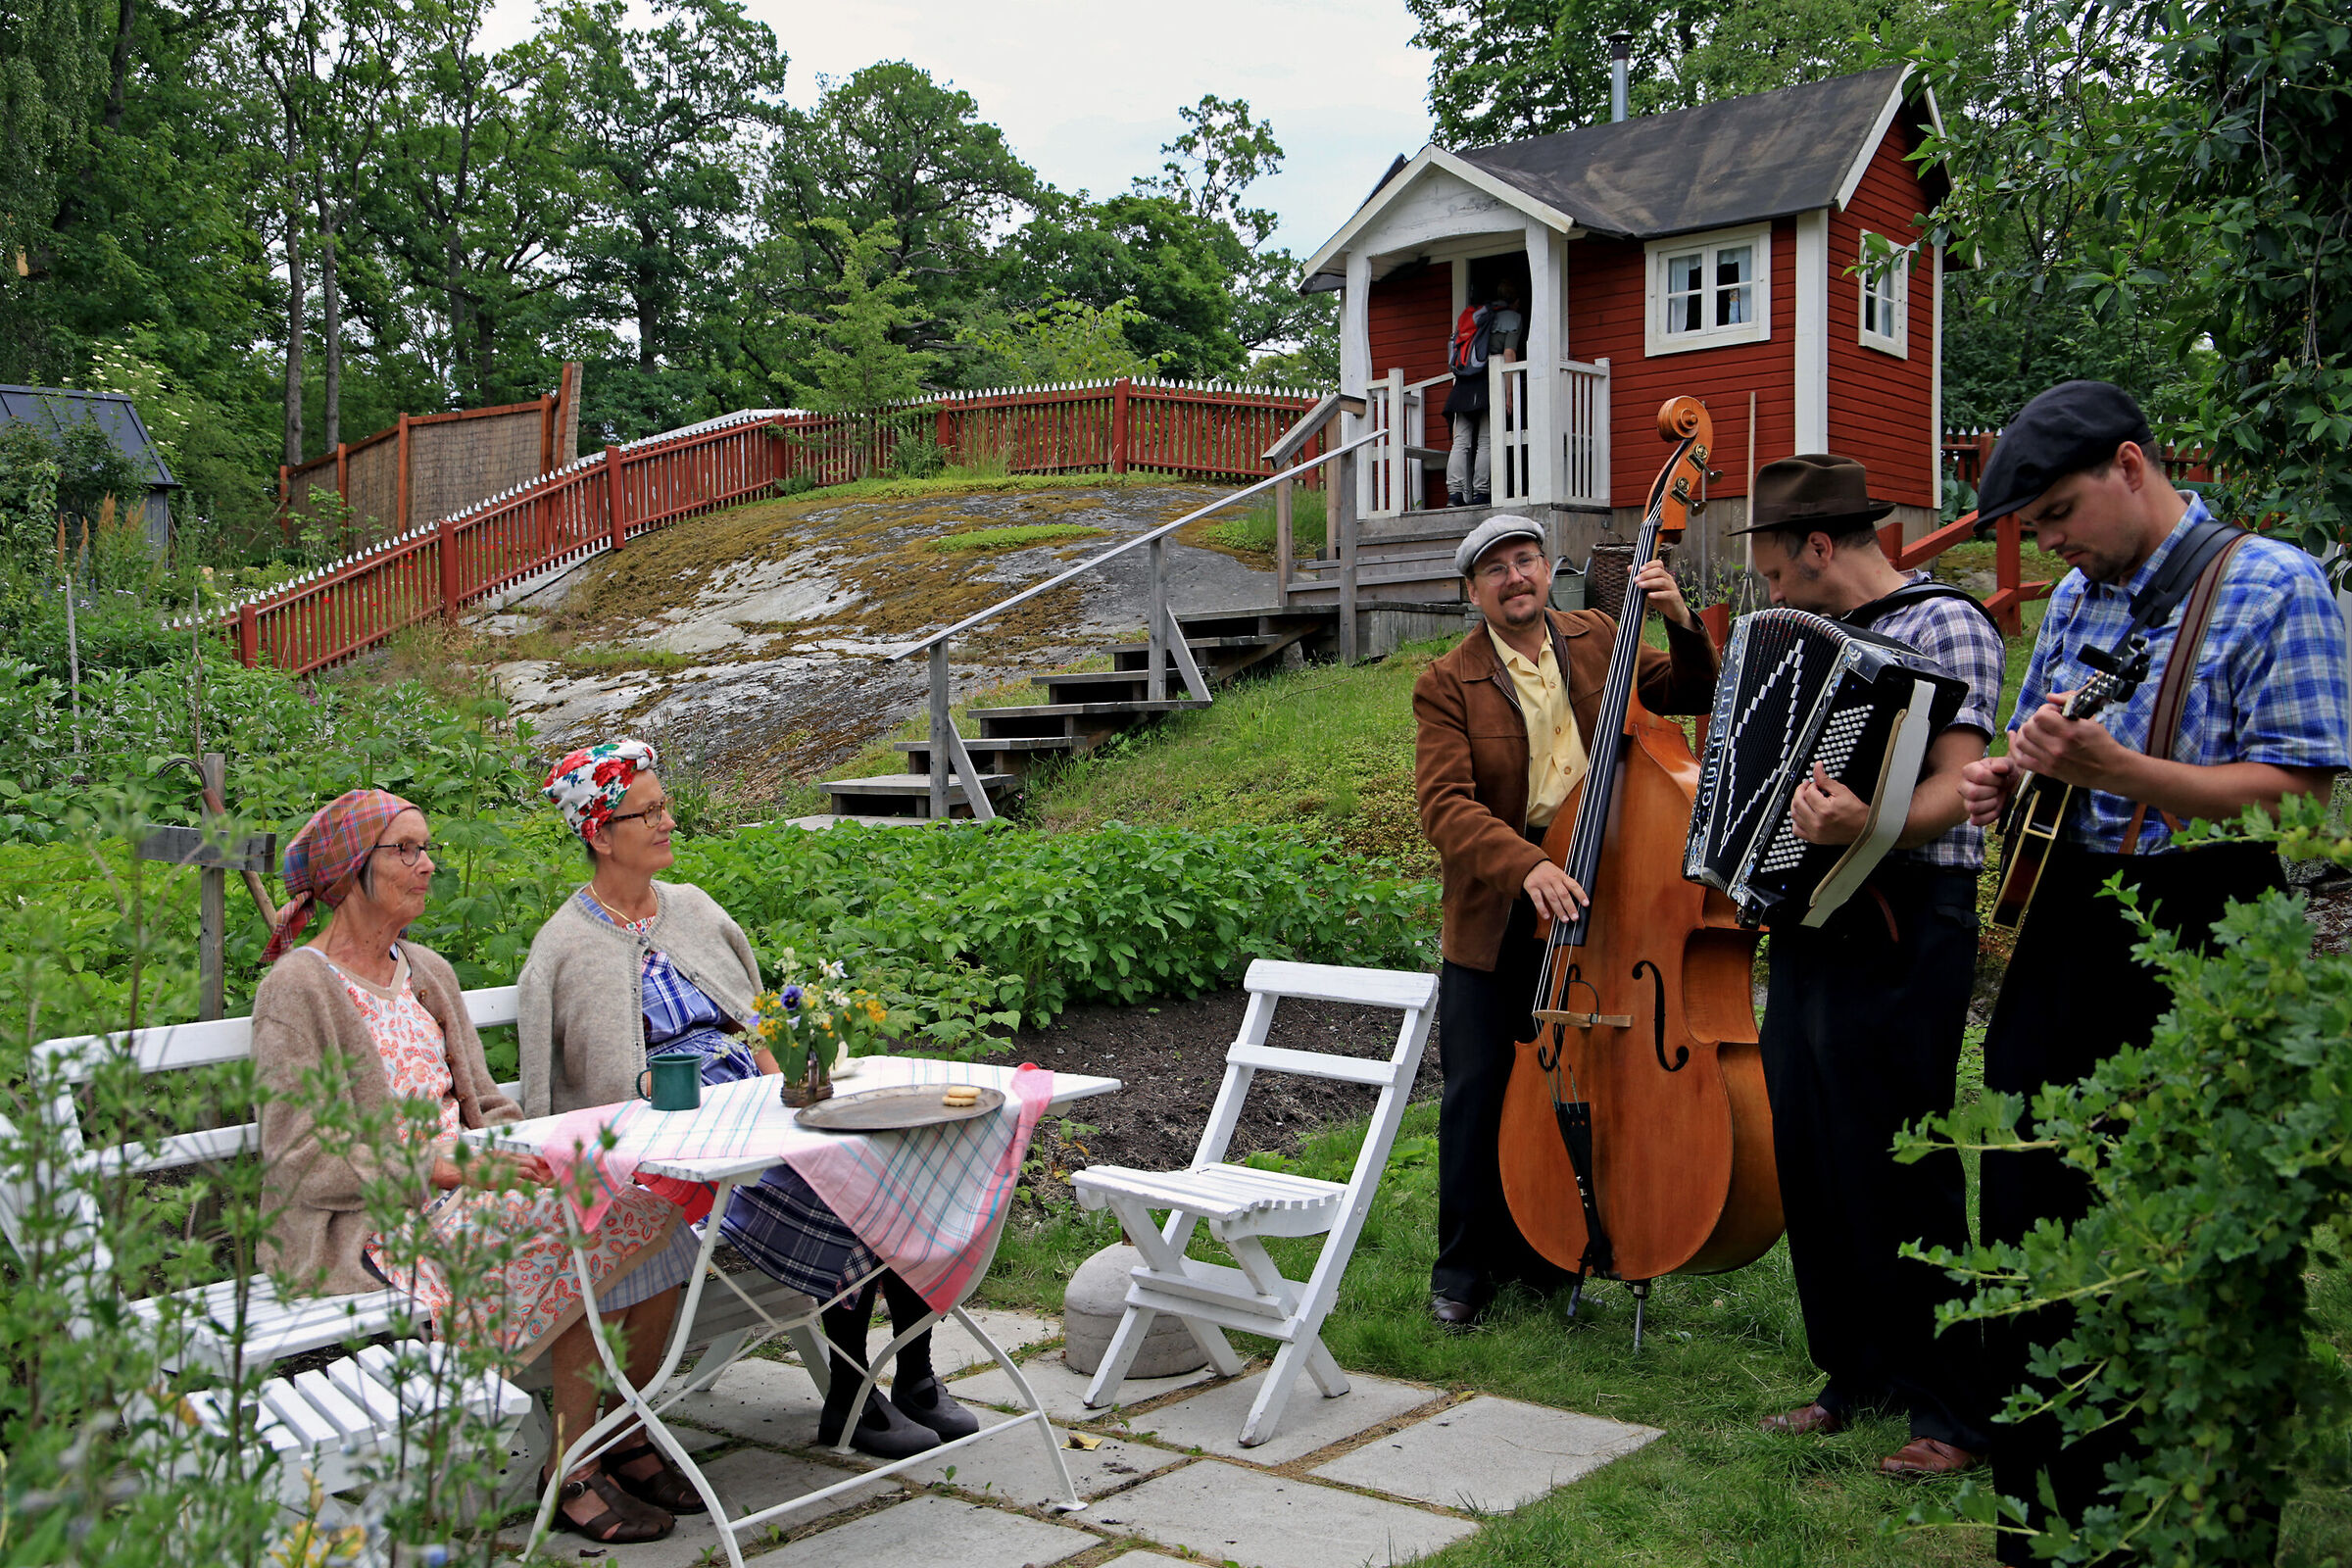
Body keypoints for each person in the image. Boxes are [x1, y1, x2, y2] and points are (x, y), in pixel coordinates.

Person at [1956, 381, 2350, 1559]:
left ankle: (2188, 1528)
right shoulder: (2080, 594)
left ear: (2133, 465)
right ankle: (2049, 1523)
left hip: (2205, 942)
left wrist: (2123, 771)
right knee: (2032, 1212)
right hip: (2066, 936)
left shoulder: (2278, 587)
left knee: (2186, 1238)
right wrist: (2011, 781)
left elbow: (2305, 800)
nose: (2055, 543)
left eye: (2064, 510)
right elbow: (2047, 744)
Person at [254, 788, 703, 1545]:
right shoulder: (298, 988)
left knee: (649, 1215)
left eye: (426, 848)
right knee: (584, 1238)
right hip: (376, 1227)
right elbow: (298, 1160)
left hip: (465, 1192)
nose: (427, 865)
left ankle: (614, 1438)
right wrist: (440, 1166)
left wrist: (518, 1152)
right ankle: (575, 1473)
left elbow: (484, 1107)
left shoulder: (424, 968)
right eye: (405, 850)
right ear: (351, 872)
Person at [519, 738, 977, 1461]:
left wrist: (794, 1090)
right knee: (840, 1189)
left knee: (884, 1157)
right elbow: (580, 1093)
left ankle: (914, 1374)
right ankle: (853, 1396)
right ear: (600, 834)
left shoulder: (693, 909)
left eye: (666, 806)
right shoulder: (564, 947)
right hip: (681, 1149)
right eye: (650, 812)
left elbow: (755, 1019)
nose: (669, 822)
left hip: (757, 1105)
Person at [1731, 455, 2005, 1476]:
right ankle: (1855, 1374)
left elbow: (1963, 785)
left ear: (1816, 545)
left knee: (1904, 1158)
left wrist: (1868, 823)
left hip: (1908, 914)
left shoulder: (1946, 625)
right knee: (1813, 1150)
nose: (1768, 594)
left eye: (1771, 572)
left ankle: (1952, 1407)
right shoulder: (1798, 641)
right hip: (1812, 918)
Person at [1413, 514, 1718, 1328]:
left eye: (1527, 561)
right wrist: (1528, 866)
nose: (1516, 578)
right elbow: (1444, 807)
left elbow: (1693, 693)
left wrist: (1683, 621)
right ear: (1473, 592)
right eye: (1496, 570)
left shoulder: (1598, 638)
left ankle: (1549, 1251)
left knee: (1570, 1082)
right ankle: (1464, 1272)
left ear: (1548, 570)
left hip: (1599, 899)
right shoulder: (1448, 680)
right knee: (1480, 1093)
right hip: (1499, 911)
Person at [1444, 282, 1527, 508]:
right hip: (1488, 383)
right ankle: (1481, 493)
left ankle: (1454, 494)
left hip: (1462, 385)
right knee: (1485, 442)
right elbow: (1509, 354)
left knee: (1460, 442)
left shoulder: (1478, 316)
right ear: (1516, 300)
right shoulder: (1513, 318)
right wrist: (1509, 394)